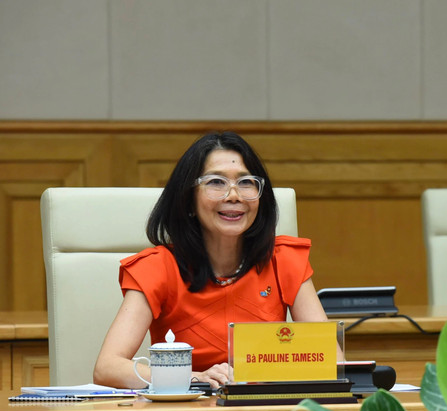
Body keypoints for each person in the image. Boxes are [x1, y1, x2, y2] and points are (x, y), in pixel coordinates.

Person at [94, 131, 331, 389]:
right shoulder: (158, 267)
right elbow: (108, 368)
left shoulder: (283, 261)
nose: (233, 195)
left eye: (246, 182)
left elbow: (330, 363)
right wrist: (195, 378)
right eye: (216, 182)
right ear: (188, 200)